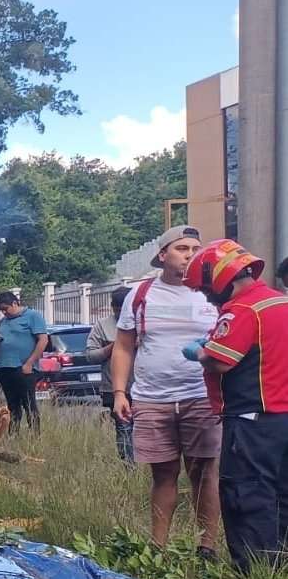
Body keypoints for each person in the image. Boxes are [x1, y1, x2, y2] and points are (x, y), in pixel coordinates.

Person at [111, 225, 221, 556]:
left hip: (201, 397)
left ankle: (207, 548)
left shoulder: (212, 293)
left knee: (204, 473)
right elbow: (123, 346)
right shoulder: (140, 294)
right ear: (163, 255)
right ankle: (157, 548)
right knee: (163, 474)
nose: (190, 255)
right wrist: (120, 392)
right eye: (182, 248)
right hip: (152, 399)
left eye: (196, 249)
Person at [185, 240, 288, 570]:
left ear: (219, 278)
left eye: (205, 290)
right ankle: (280, 568)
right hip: (282, 418)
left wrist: (200, 352)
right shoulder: (280, 302)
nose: (207, 297)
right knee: (282, 495)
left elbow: (221, 361)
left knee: (247, 495)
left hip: (252, 420)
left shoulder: (242, 309)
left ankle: (254, 574)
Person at [85, 286, 136, 463]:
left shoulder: (145, 323)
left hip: (144, 387)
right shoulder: (102, 325)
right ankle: (129, 468)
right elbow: (90, 356)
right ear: (112, 307)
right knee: (124, 429)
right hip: (114, 388)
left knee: (146, 429)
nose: (122, 314)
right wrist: (115, 347)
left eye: (125, 309)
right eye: (118, 310)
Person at [0, 291, 48, 432]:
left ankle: (35, 436)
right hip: (5, 367)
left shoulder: (33, 316)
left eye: (6, 308)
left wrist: (29, 363)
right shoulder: (3, 321)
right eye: (1, 310)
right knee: (12, 406)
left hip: (23, 368)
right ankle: (13, 435)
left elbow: (43, 340)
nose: (4, 312)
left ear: (15, 303)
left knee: (29, 404)